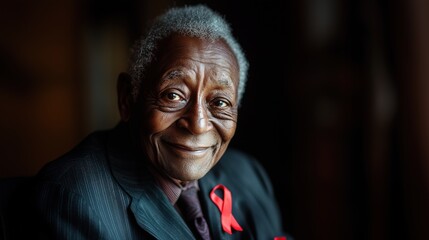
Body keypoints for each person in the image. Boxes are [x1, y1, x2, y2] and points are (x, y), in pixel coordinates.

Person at [31, 4, 292, 240]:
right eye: (173, 95)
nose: (198, 124)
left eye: (220, 103)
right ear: (127, 98)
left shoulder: (247, 175)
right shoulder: (73, 197)